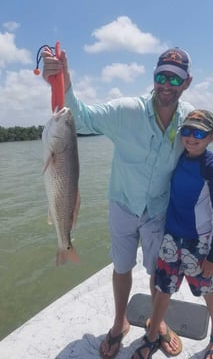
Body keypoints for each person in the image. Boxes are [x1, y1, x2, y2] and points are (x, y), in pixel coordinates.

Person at [42, 46, 194, 359]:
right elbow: (79, 119)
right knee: (122, 267)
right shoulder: (127, 111)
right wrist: (62, 79)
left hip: (158, 211)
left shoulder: (188, 121)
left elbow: (202, 154)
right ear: (154, 77)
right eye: (161, 76)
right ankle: (118, 323)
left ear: (186, 83)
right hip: (122, 205)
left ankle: (158, 323)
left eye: (175, 79)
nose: (167, 84)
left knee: (157, 272)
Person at [132, 110, 213, 359]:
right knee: (163, 288)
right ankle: (152, 336)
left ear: (211, 137)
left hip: (198, 243)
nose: (191, 137)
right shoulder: (177, 157)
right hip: (171, 237)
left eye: (199, 133)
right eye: (186, 131)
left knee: (207, 289)